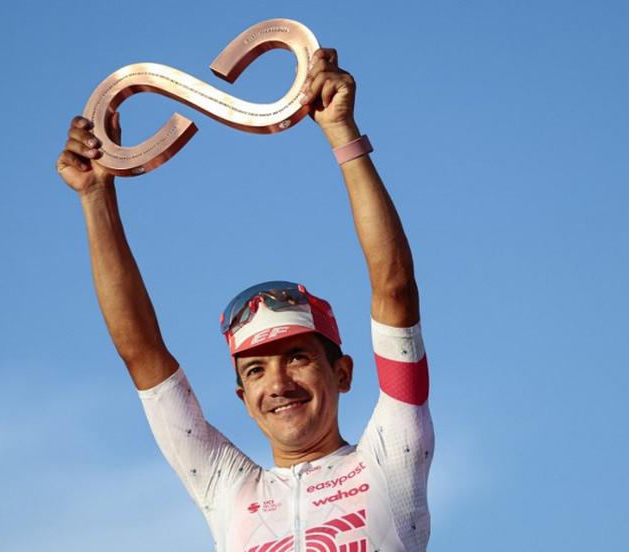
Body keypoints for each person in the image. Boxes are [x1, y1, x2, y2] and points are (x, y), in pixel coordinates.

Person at [56, 48, 433, 552]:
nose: (278, 384)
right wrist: (96, 197)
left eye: (297, 357)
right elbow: (141, 354)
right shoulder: (226, 487)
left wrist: (342, 133)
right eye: (255, 370)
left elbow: (395, 289)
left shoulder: (392, 456)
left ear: (342, 373)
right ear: (242, 399)